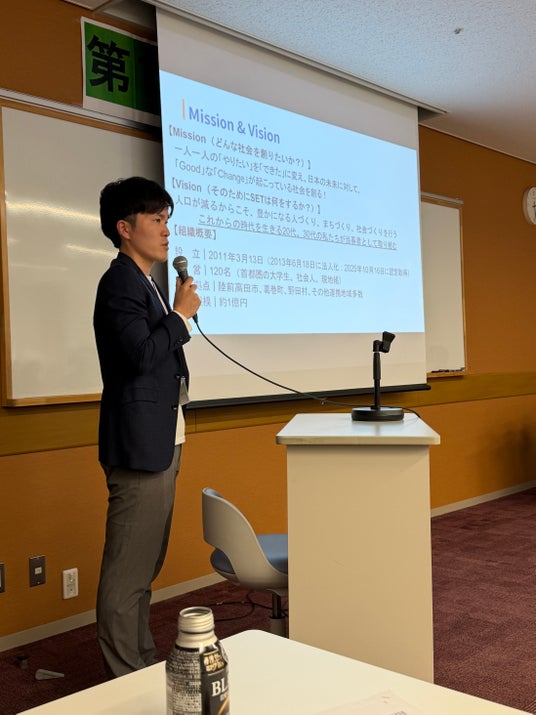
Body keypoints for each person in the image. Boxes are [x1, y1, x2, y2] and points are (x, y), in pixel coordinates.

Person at [93, 176, 201, 677]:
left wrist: (173, 314)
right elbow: (139, 355)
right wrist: (179, 317)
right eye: (156, 219)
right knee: (126, 574)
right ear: (124, 227)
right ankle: (124, 677)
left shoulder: (146, 284)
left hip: (161, 439)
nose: (166, 231)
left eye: (167, 220)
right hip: (139, 446)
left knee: (144, 566)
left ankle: (140, 665)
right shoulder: (119, 281)